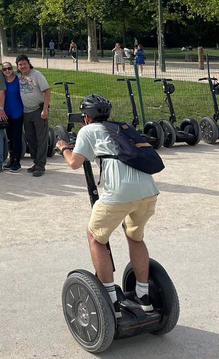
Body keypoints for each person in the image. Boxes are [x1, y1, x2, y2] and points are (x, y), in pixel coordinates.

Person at [56, 94, 159, 317]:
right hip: (148, 190)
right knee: (135, 236)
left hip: (120, 193)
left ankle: (110, 299)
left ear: (86, 117)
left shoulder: (87, 130)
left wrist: (64, 147)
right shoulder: (121, 128)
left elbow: (75, 162)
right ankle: (143, 295)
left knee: (95, 237)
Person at [16, 54, 50, 177]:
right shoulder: (18, 76)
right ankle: (36, 162)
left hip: (38, 110)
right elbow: (4, 73)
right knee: (30, 138)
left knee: (41, 138)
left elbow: (47, 91)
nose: (23, 66)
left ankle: (41, 166)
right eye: (20, 64)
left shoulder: (37, 75)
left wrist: (45, 109)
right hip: (26, 111)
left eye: (24, 63)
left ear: (28, 63)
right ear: (18, 67)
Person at [1, 62, 24, 172]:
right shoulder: (2, 81)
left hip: (17, 112)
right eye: (4, 69)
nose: (7, 71)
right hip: (7, 113)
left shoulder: (18, 79)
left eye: (9, 68)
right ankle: (11, 159)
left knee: (16, 138)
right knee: (9, 138)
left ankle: (17, 161)